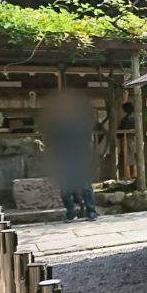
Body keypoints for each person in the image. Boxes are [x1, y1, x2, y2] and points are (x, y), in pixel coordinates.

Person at [44, 90, 98, 222]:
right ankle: (70, 212)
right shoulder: (54, 122)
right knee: (65, 189)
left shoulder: (80, 120)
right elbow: (50, 141)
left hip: (78, 154)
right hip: (62, 156)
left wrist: (88, 154)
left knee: (85, 186)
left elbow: (88, 138)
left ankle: (91, 211)